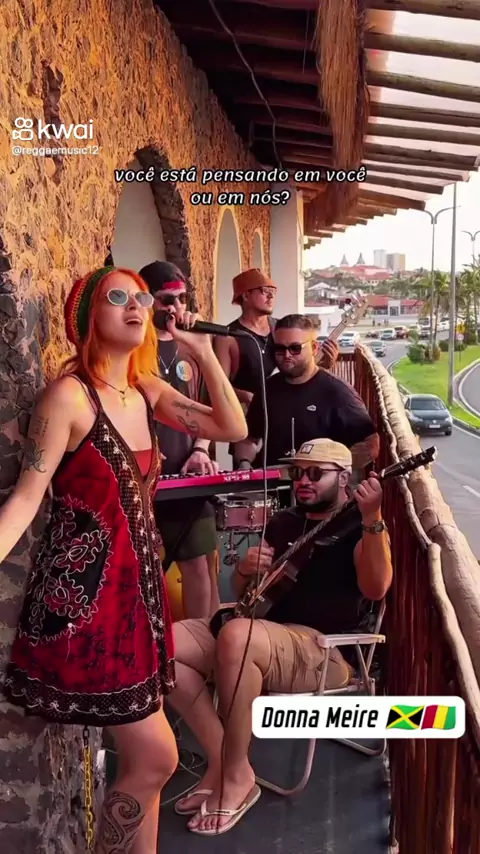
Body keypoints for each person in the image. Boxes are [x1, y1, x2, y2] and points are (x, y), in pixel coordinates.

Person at [0, 266, 247, 854]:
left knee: (146, 764)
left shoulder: (145, 391)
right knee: (158, 757)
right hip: (86, 604)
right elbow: (26, 499)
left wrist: (200, 350)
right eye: (119, 297)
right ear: (87, 316)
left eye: (142, 297)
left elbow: (231, 425)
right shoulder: (69, 397)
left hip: (137, 602)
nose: (137, 306)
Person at [166, 438, 392, 834]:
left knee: (237, 637)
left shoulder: (358, 525)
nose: (303, 480)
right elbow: (249, 594)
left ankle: (238, 776)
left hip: (326, 650)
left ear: (344, 479)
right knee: (161, 647)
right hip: (262, 630)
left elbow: (377, 588)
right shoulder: (285, 522)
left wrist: (373, 517)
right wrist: (245, 571)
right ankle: (223, 762)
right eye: (297, 472)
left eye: (315, 473)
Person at [139, 260, 220, 619]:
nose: (176, 307)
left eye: (182, 299)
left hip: (188, 473)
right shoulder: (136, 346)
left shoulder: (193, 347)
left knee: (203, 564)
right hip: (146, 475)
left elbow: (208, 409)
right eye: (166, 299)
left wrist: (201, 450)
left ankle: (206, 642)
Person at [213, 269, 339, 466]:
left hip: (290, 422)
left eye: (273, 291)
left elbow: (300, 369)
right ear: (245, 295)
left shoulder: (282, 330)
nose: (271, 296)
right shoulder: (228, 337)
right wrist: (248, 397)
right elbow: (219, 385)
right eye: (264, 291)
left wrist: (324, 364)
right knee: (250, 480)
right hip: (250, 430)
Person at [233, 314, 379, 472]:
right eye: (280, 349)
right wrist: (244, 463)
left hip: (316, 485)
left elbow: (371, 445)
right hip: (271, 481)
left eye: (295, 348)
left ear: (314, 348)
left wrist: (330, 469)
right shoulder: (267, 388)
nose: (287, 355)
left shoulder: (337, 391)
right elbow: (249, 438)